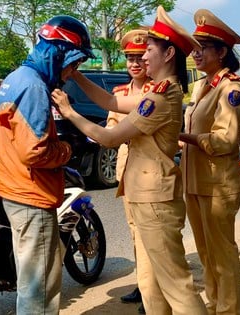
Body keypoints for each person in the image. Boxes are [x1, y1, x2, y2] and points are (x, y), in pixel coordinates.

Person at [52, 6, 207, 315]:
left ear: (168, 54)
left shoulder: (161, 97)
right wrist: (77, 74)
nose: (143, 57)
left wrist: (69, 112)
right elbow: (111, 101)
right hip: (145, 195)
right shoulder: (160, 93)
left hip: (156, 199)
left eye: (148, 50)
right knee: (149, 283)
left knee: (175, 283)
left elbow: (109, 139)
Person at [0, 15, 95, 314]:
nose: (71, 73)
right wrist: (66, 149)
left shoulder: (14, 79)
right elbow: (35, 153)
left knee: (31, 283)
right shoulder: (34, 87)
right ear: (59, 54)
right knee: (40, 289)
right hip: (32, 196)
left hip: (15, 192)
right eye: (73, 64)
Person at [178, 8, 240, 315]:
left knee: (222, 253)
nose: (195, 53)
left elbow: (225, 140)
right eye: (194, 48)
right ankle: (213, 303)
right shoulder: (202, 86)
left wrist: (186, 137)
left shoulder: (231, 89)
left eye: (201, 48)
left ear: (221, 52)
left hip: (218, 183)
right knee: (205, 252)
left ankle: (228, 309)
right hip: (195, 181)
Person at [107, 28, 154, 315]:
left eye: (140, 58)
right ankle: (142, 282)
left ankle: (153, 292)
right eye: (129, 59)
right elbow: (111, 127)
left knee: (151, 233)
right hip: (127, 168)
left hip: (149, 171)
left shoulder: (158, 91)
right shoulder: (119, 94)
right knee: (135, 232)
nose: (135, 64)